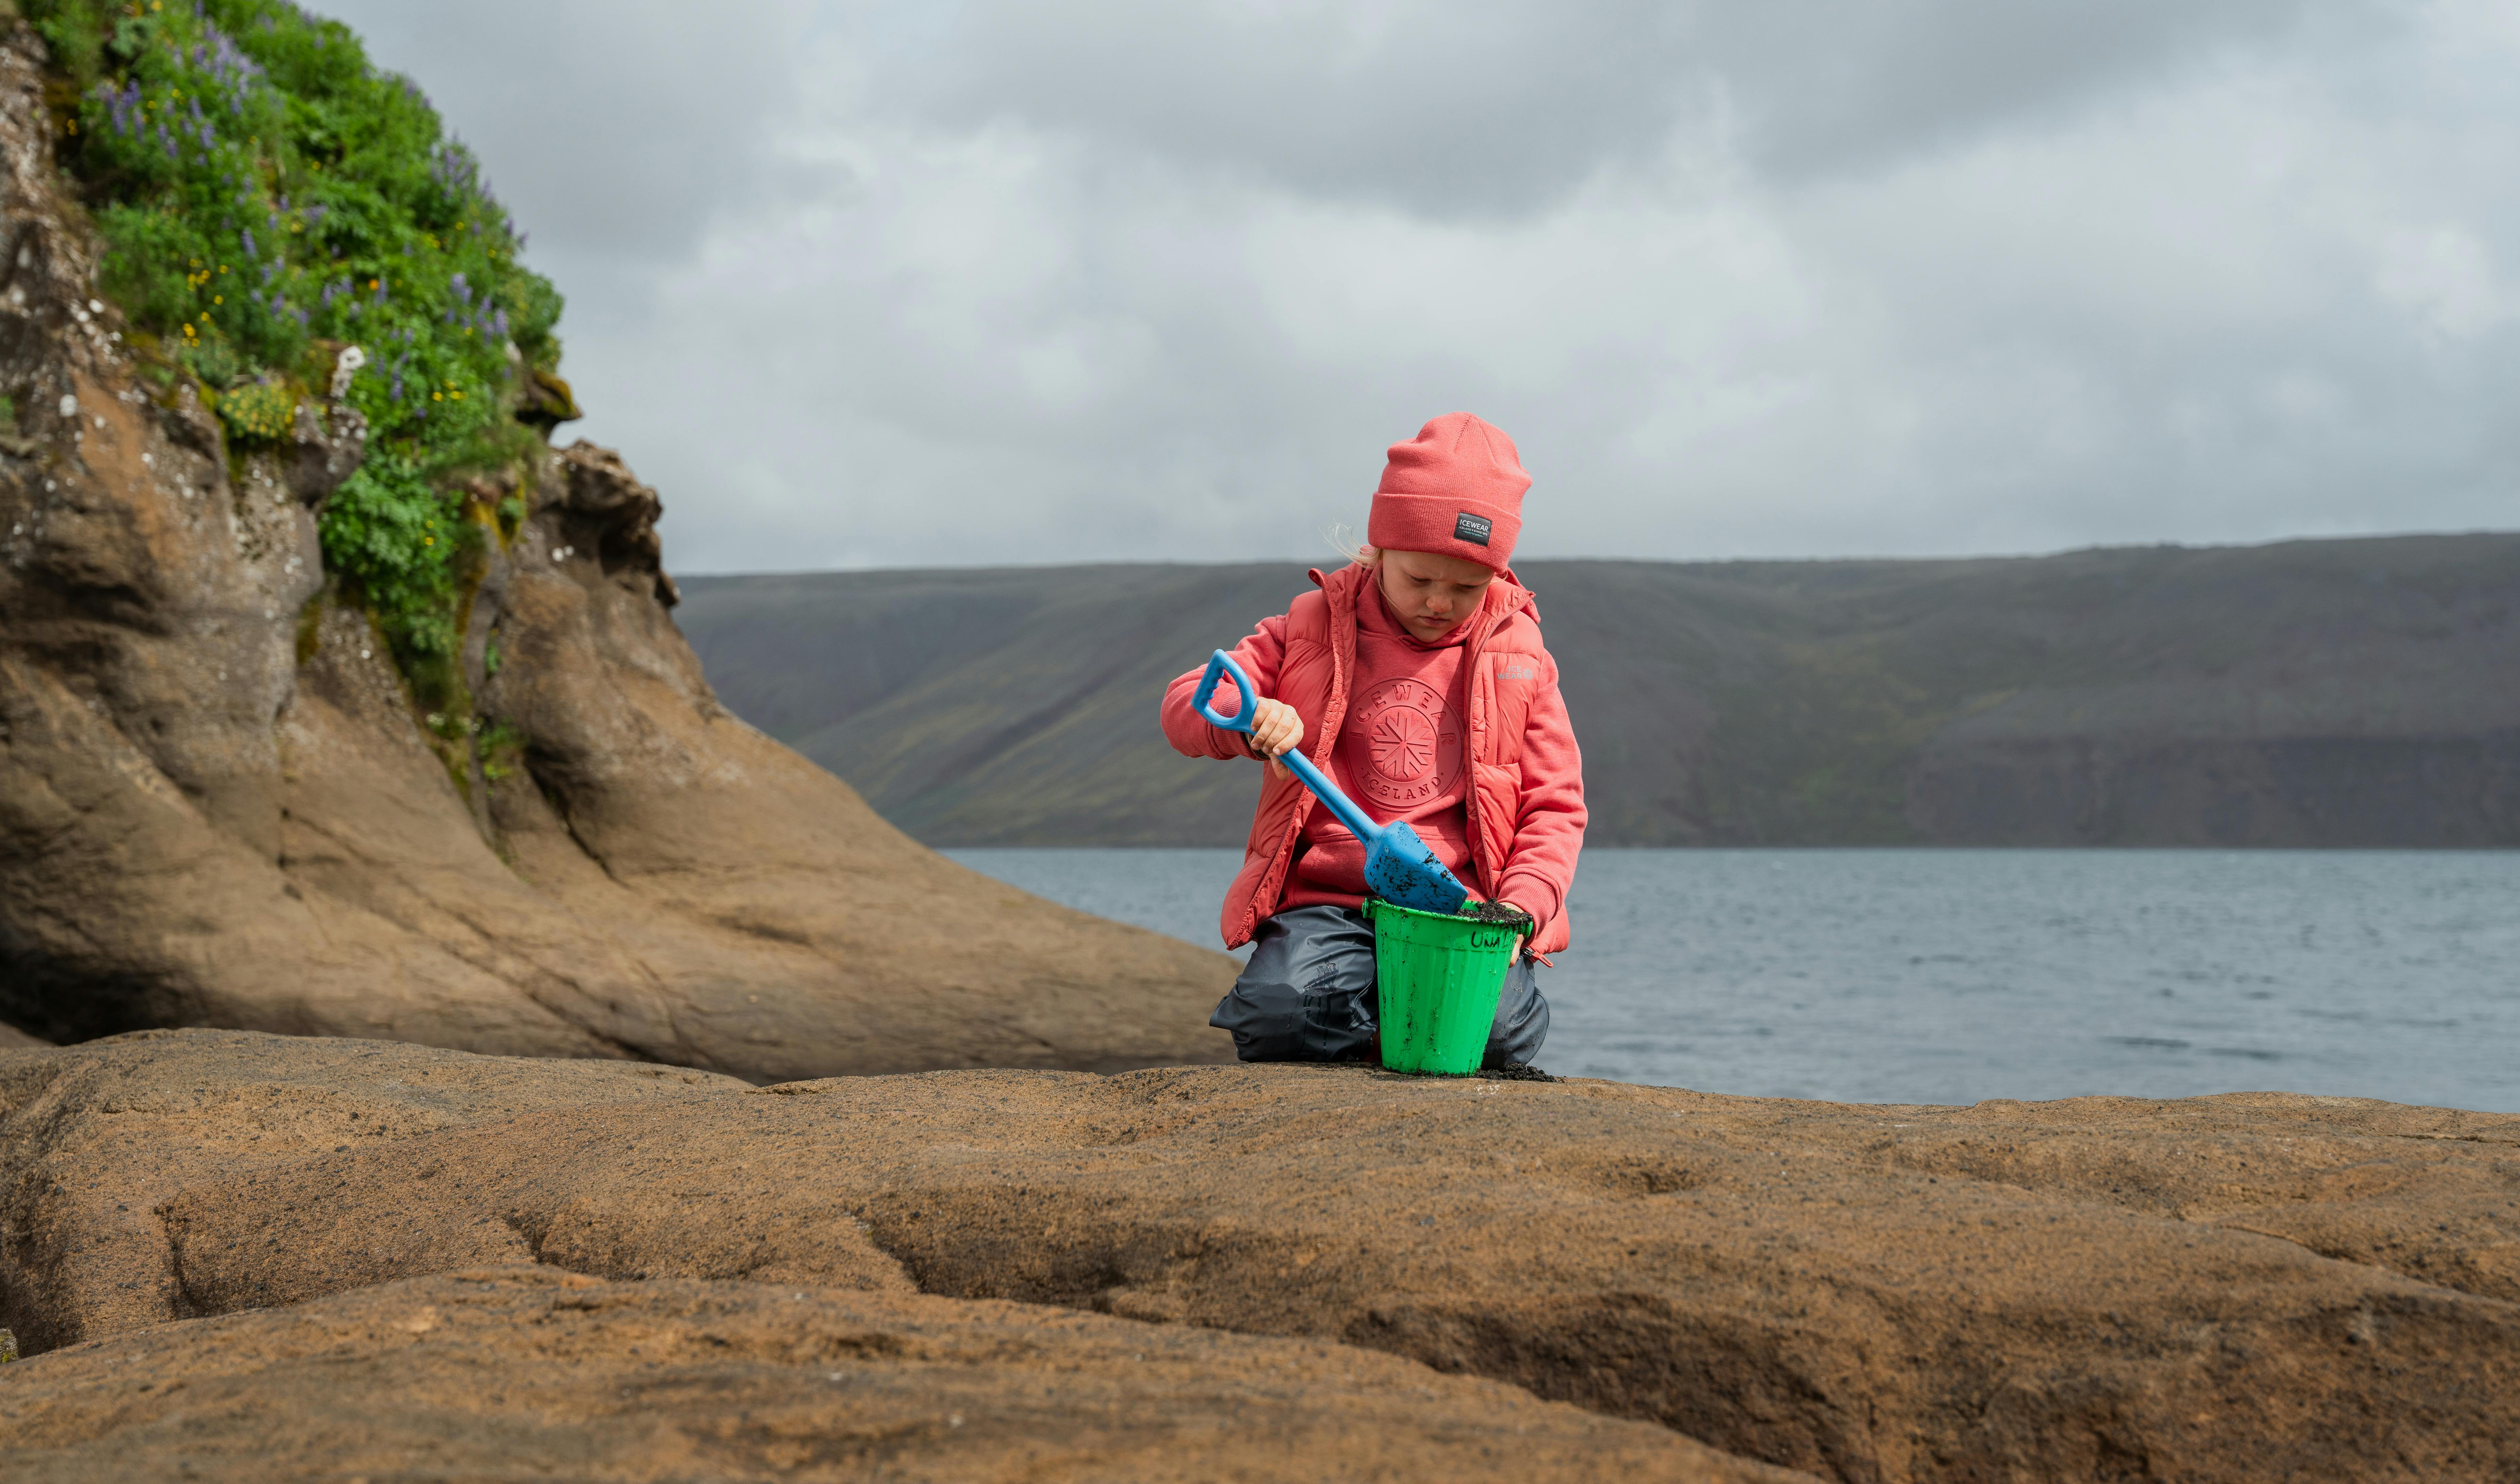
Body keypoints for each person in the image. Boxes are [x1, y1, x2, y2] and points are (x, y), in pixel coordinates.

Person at [1160, 412, 1586, 1066]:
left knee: (1492, 1040)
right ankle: (1373, 1015)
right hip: (1328, 902)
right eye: (1419, 579)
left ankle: (1408, 1012)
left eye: (1467, 588)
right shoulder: (1306, 629)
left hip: (1464, 914)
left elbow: (1554, 805)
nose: (1440, 602)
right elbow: (1188, 704)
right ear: (1378, 549)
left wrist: (1521, 908)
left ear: (1498, 577)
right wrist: (1252, 723)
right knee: (1280, 1020)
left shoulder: (1521, 659)